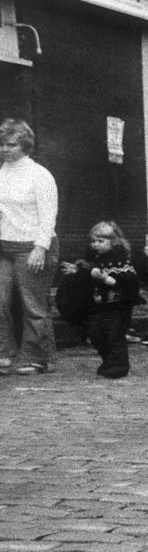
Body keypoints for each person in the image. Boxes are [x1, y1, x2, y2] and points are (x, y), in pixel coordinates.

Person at [0, 119, 59, 376]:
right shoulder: (2, 172)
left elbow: (48, 215)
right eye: (1, 144)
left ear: (25, 145)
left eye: (10, 144)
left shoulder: (40, 175)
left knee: (32, 304)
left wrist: (40, 247)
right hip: (4, 246)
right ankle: (4, 351)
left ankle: (36, 357)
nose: (4, 149)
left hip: (32, 246)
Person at [58, 221, 139, 379]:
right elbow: (90, 273)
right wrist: (78, 271)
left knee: (114, 335)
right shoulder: (97, 258)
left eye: (101, 241)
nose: (96, 245)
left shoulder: (120, 259)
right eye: (94, 241)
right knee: (96, 333)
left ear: (114, 241)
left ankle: (119, 365)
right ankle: (107, 360)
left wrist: (106, 279)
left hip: (117, 306)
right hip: (99, 305)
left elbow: (127, 281)